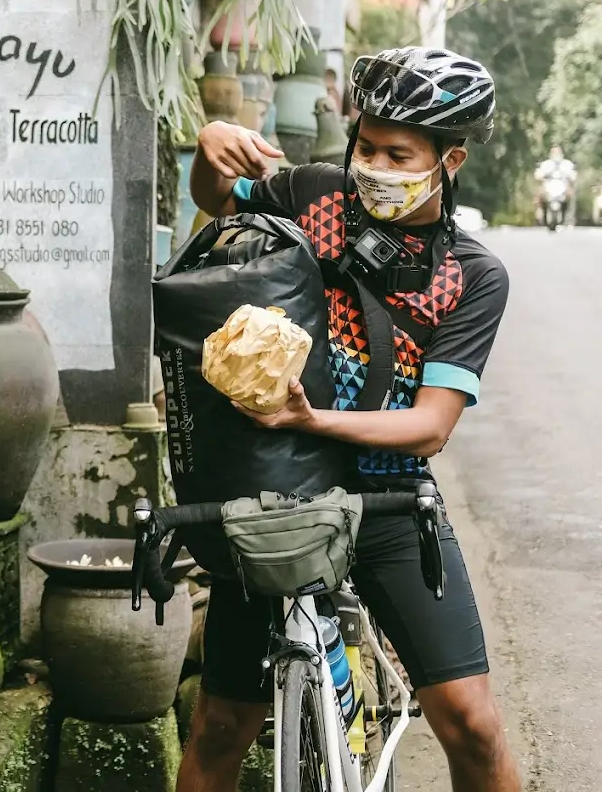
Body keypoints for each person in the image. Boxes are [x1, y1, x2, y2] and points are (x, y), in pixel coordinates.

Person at [181, 46, 519, 792]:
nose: (374, 164)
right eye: (366, 145)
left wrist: (309, 419)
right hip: (272, 491)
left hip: (388, 496)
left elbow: (429, 427)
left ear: (449, 158)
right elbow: (217, 197)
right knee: (219, 727)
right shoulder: (312, 194)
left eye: (399, 154)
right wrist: (208, 149)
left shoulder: (473, 275)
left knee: (474, 724)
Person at [534, 145, 578, 227]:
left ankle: (570, 216)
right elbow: (538, 174)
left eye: (558, 152)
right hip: (548, 185)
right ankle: (539, 211)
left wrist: (572, 176)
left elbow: (573, 174)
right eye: (554, 152)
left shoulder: (567, 164)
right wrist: (540, 175)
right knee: (539, 194)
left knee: (571, 194)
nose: (556, 154)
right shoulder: (546, 164)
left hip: (563, 186)